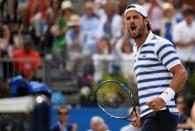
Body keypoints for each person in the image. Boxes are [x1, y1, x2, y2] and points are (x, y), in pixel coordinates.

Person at [124, 4, 188, 131]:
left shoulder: (160, 44)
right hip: (152, 115)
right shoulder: (136, 50)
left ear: (146, 21)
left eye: (135, 17)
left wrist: (163, 99)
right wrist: (144, 114)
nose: (131, 21)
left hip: (163, 113)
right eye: (128, 18)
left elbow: (181, 73)